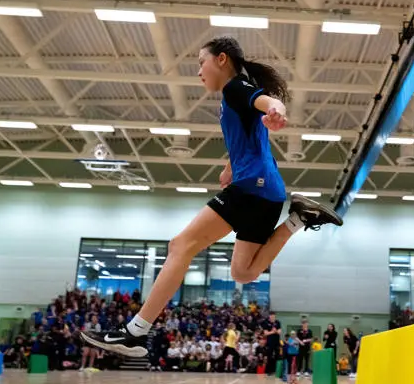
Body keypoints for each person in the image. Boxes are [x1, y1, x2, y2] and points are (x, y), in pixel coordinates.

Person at [82, 36, 343, 356]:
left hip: (253, 188)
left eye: (200, 62)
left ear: (221, 60)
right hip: (268, 192)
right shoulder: (232, 96)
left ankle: (135, 332)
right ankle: (298, 218)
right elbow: (248, 135)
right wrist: (229, 165)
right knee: (243, 273)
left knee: (181, 245)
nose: (198, 71)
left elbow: (266, 103)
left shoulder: (236, 88)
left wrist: (276, 108)